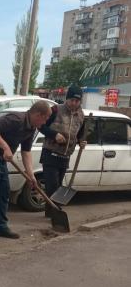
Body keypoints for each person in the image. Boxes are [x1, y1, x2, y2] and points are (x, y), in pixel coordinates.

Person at [0, 100, 52, 243]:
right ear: (38, 114)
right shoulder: (16, 119)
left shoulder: (31, 128)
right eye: (46, 118)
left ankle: (1, 227)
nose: (45, 122)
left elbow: (26, 152)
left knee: (4, 194)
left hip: (0, 160)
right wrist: (5, 147)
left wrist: (31, 175)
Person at [39, 84, 87, 215]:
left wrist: (81, 141)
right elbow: (41, 126)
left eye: (77, 101)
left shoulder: (81, 115)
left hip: (65, 156)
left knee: (58, 187)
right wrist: (54, 135)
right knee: (52, 187)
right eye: (72, 100)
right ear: (67, 99)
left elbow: (81, 134)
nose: (74, 103)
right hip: (50, 153)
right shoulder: (55, 110)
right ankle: (55, 213)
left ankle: (51, 214)